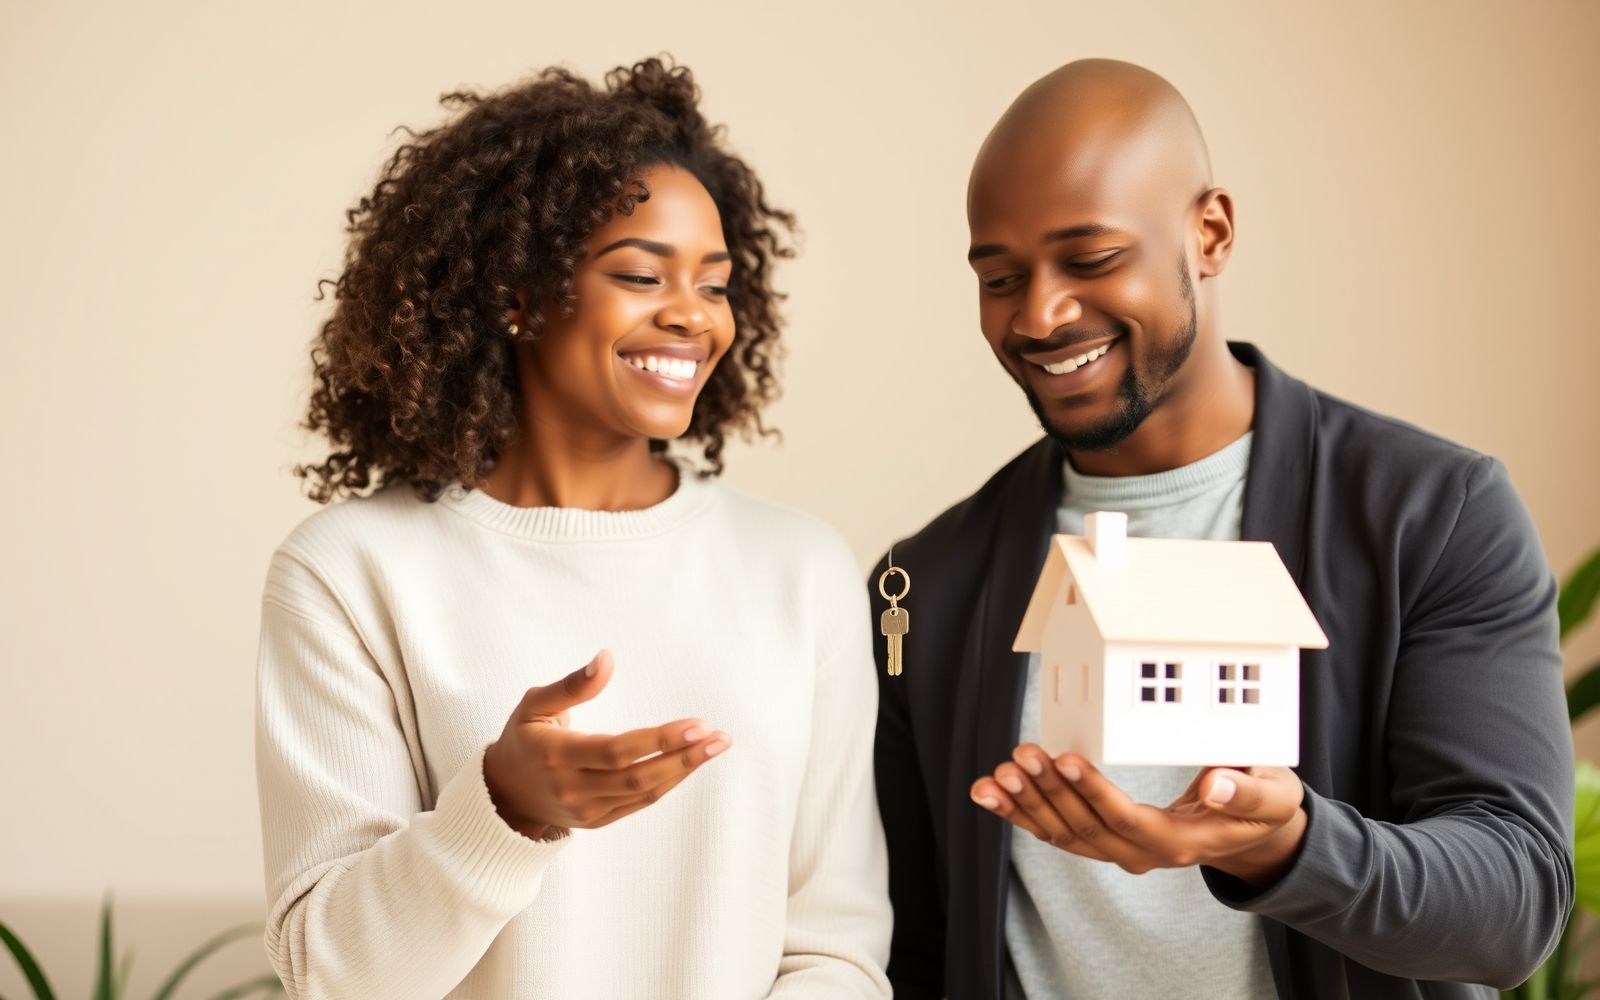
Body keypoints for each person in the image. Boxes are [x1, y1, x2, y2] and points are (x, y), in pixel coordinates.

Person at [870, 58, 1572, 1000]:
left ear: (1210, 232)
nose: (1039, 314)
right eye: (1001, 277)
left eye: (1091, 259)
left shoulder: (1431, 515)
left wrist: (1288, 846)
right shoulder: (927, 585)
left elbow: (1514, 904)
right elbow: (912, 950)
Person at [255, 58, 891, 999]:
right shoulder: (350, 574)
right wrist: (502, 810)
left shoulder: (799, 570)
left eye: (714, 286)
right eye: (640, 274)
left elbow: (835, 952)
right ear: (512, 294)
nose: (692, 318)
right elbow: (333, 976)